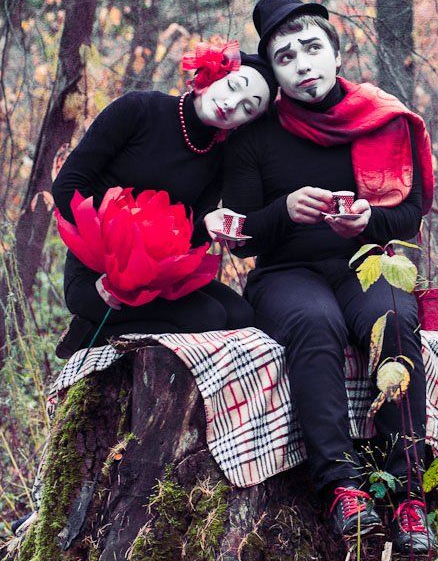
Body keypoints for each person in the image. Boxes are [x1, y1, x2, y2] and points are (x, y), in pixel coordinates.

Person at [222, 0, 437, 553]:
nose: (302, 65)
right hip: (285, 273)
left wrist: (369, 221)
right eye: (285, 57)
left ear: (336, 54)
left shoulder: (379, 119)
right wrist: (283, 211)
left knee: (393, 320)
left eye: (312, 48)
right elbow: (240, 234)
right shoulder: (256, 135)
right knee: (316, 324)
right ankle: (343, 487)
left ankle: (409, 495)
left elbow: (411, 211)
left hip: (367, 263)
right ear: (274, 72)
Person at [52, 40, 273, 354]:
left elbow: (185, 241)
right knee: (208, 317)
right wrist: (112, 267)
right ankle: (89, 336)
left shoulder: (217, 155)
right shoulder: (138, 110)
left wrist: (207, 226)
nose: (232, 103)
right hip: (98, 274)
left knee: (241, 316)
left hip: (156, 278)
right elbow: (67, 187)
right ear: (214, 74)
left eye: (247, 108)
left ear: (246, 123)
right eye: (233, 86)